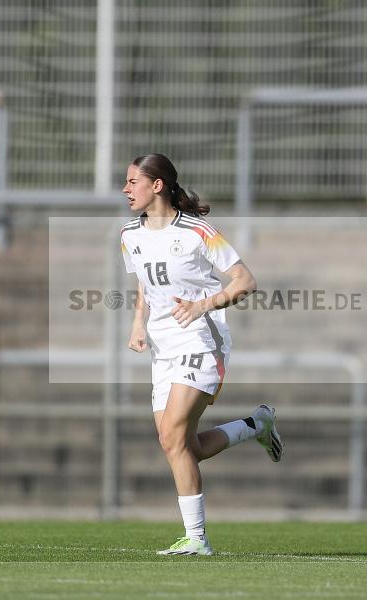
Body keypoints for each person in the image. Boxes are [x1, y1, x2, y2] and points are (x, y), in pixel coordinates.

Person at [120, 153, 283, 555]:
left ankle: (196, 540)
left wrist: (203, 305)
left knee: (174, 436)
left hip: (201, 340)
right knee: (179, 446)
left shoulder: (198, 231)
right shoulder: (128, 235)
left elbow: (246, 281)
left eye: (132, 182)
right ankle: (255, 425)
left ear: (157, 185)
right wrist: (138, 323)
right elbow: (144, 284)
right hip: (163, 348)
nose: (125, 189)